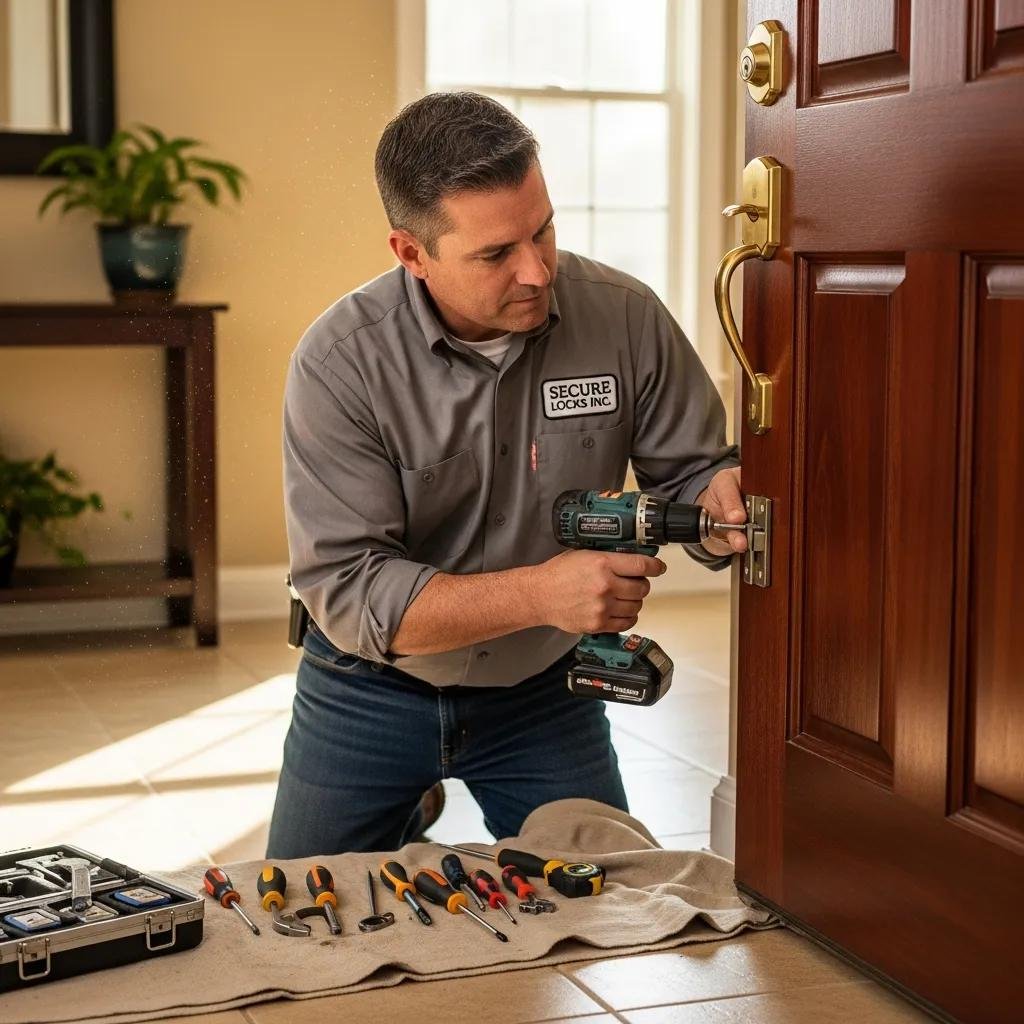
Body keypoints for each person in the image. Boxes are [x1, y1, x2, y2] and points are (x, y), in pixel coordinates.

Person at [266, 92, 746, 858]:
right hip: (368, 690)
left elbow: (692, 470)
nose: (535, 270)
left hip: (541, 694)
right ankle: (406, 802)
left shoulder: (624, 317)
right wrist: (544, 592)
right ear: (410, 253)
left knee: (616, 905)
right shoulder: (339, 364)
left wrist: (715, 505)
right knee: (299, 926)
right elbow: (353, 589)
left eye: (543, 230)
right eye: (495, 254)